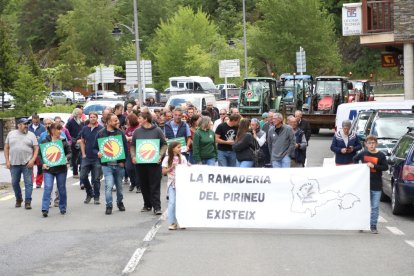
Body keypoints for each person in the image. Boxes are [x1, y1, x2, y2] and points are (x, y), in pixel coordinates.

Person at [131, 112, 167, 215]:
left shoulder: (157, 131)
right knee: (143, 184)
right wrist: (133, 156)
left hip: (154, 163)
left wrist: (160, 155)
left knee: (155, 184)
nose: (138, 120)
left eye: (140, 118)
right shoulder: (137, 132)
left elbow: (164, 144)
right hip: (140, 163)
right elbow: (133, 145)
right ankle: (147, 204)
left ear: (146, 119)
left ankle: (157, 207)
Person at [353, 135, 388, 234]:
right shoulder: (363, 153)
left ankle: (373, 225)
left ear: (376, 144)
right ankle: (362, 224)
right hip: (365, 184)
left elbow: (385, 167)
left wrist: (374, 166)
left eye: (373, 143)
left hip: (376, 185)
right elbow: (354, 159)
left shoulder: (381, 155)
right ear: (366, 144)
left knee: (375, 206)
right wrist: (359, 168)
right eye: (369, 143)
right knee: (364, 205)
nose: (371, 145)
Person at [96, 114, 128, 215]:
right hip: (107, 165)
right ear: (108, 122)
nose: (117, 122)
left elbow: (125, 148)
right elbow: (94, 148)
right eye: (115, 120)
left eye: (117, 120)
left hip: (119, 165)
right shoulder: (101, 133)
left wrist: (123, 161)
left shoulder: (120, 133)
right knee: (108, 185)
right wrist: (97, 153)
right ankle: (109, 205)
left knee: (119, 187)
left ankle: (120, 202)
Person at [4, 118, 39, 209]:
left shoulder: (31, 135)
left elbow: (36, 148)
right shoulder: (11, 134)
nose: (26, 126)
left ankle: (28, 201)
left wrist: (32, 160)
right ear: (18, 125)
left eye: (27, 124)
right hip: (14, 164)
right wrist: (7, 161)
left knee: (28, 183)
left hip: (27, 163)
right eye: (24, 124)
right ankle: (18, 199)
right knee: (15, 182)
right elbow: (6, 148)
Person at [39, 123, 71, 217]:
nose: (60, 131)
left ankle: (63, 207)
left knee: (61, 188)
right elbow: (40, 155)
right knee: (48, 187)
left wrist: (66, 158)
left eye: (60, 129)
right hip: (48, 169)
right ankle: (45, 208)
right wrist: (43, 164)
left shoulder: (63, 141)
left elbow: (70, 153)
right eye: (58, 129)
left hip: (61, 169)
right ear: (52, 130)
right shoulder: (45, 141)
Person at [162, 141, 188, 230]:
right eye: (178, 147)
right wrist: (171, 167)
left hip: (181, 184)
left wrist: (189, 167)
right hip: (172, 184)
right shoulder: (167, 158)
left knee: (181, 203)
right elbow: (164, 172)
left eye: (180, 147)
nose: (180, 149)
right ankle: (172, 223)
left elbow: (186, 169)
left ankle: (182, 221)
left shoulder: (183, 157)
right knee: (172, 202)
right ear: (173, 149)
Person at [79, 112, 104, 204]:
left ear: (97, 118)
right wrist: (83, 153)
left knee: (96, 178)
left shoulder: (101, 129)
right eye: (91, 117)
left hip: (97, 157)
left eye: (94, 117)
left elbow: (104, 143)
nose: (92, 118)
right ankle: (89, 192)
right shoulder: (85, 128)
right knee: (83, 176)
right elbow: (82, 141)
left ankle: (96, 197)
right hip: (87, 156)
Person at [66, 108, 84, 179]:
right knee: (74, 157)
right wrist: (73, 140)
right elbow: (68, 133)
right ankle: (75, 172)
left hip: (81, 141)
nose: (81, 115)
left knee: (82, 156)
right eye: (80, 114)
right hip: (74, 142)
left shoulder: (81, 122)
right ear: (76, 114)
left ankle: (81, 170)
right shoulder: (70, 122)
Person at [28, 113, 46, 188]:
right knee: (30, 166)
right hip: (30, 149)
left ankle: (39, 183)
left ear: (39, 120)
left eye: (37, 121)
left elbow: (45, 137)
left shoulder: (43, 127)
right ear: (32, 120)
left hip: (39, 149)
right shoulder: (28, 127)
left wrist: (40, 138)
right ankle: (30, 182)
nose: (35, 122)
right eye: (34, 121)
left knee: (39, 166)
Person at [125, 113, 140, 193]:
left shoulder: (138, 128)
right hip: (128, 150)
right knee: (128, 168)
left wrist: (129, 138)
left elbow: (137, 138)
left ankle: (138, 186)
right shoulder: (128, 129)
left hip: (137, 151)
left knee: (137, 169)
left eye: (128, 120)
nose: (127, 122)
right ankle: (133, 182)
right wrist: (128, 138)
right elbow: (125, 137)